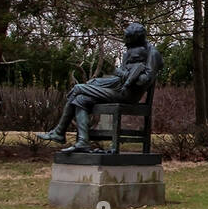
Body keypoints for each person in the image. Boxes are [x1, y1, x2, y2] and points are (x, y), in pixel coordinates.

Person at [37, 23, 160, 152]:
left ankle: (59, 132)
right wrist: (120, 74)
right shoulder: (131, 51)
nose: (125, 41)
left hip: (128, 95)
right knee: (81, 99)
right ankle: (82, 142)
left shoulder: (152, 53)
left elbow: (144, 80)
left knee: (78, 89)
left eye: (128, 38)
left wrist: (123, 74)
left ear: (136, 38)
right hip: (117, 88)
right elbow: (120, 73)